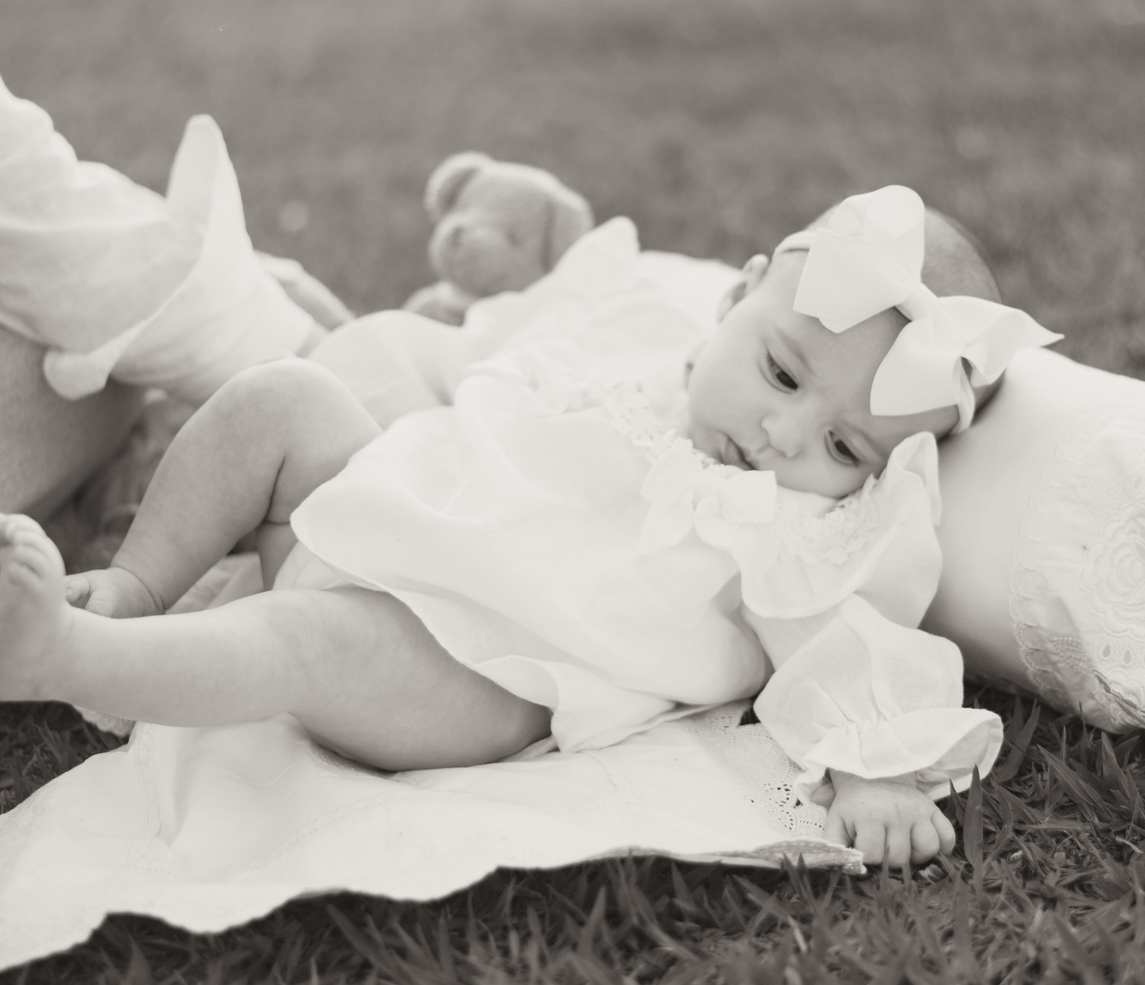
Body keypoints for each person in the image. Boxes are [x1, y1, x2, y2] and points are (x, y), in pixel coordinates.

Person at [0, 186, 1056, 870]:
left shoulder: (787, 526)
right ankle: (134, 586)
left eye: (844, 445)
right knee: (283, 398)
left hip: (479, 674)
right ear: (734, 300)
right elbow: (486, 370)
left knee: (307, 641)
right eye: (782, 372)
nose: (785, 434)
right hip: (381, 520)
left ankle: (74, 655)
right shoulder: (635, 356)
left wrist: (872, 770)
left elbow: (838, 636)